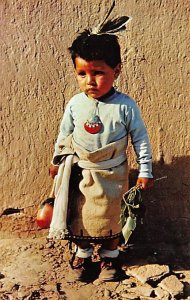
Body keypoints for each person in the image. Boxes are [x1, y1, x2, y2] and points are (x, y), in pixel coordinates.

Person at [48, 17, 153, 283]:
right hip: (81, 173)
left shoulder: (125, 106)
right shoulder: (74, 104)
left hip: (113, 175)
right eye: (82, 74)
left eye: (98, 73)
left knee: (110, 217)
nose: (89, 81)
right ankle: (82, 254)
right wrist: (57, 160)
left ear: (116, 70)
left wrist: (145, 170)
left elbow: (140, 139)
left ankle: (109, 257)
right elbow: (65, 134)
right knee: (80, 214)